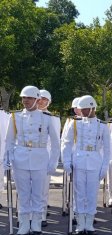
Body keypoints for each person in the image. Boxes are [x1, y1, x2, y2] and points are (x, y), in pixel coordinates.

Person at [3, 86, 60, 235]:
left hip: (40, 158)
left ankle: (36, 225)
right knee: (23, 194)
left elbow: (55, 143)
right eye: (23, 98)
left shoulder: (47, 118)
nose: (25, 101)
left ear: (37, 100)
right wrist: (7, 158)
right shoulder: (15, 117)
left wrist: (53, 163)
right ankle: (23, 225)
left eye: (28, 98)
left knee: (37, 194)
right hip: (20, 159)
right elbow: (9, 141)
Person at [61, 95, 110, 235]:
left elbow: (107, 149)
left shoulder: (102, 125)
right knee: (79, 194)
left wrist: (105, 167)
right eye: (81, 109)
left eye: (84, 109)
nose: (81, 111)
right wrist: (66, 161)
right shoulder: (74, 123)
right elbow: (67, 144)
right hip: (79, 161)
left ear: (92, 108)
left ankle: (89, 223)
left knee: (92, 193)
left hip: (95, 162)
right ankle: (80, 223)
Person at [38, 89, 60, 227]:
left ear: (49, 102)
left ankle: (41, 214)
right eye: (39, 99)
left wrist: (53, 161)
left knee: (43, 188)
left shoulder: (53, 118)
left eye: (45, 99)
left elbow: (55, 142)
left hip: (45, 156)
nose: (41, 101)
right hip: (30, 155)